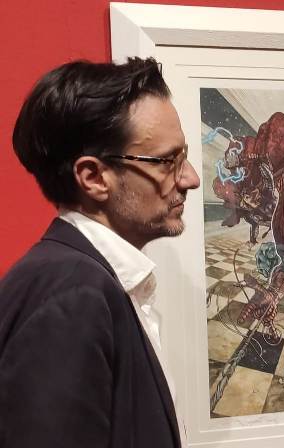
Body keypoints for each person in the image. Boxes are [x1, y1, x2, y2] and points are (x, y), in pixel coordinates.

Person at [0, 58, 200, 447]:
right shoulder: (72, 294)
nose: (190, 178)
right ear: (93, 178)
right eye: (167, 161)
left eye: (184, 156)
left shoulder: (87, 281)